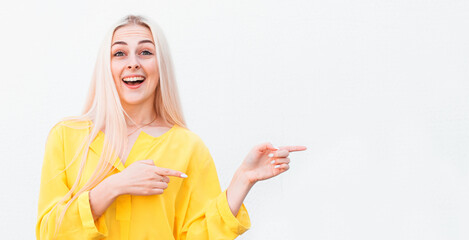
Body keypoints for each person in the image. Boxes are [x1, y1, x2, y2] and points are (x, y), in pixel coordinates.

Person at [36, 15, 306, 240]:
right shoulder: (66, 136)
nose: (133, 62)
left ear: (160, 65)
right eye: (119, 53)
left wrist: (242, 180)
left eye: (145, 52)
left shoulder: (188, 147)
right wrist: (115, 186)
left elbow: (197, 236)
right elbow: (48, 233)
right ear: (106, 67)